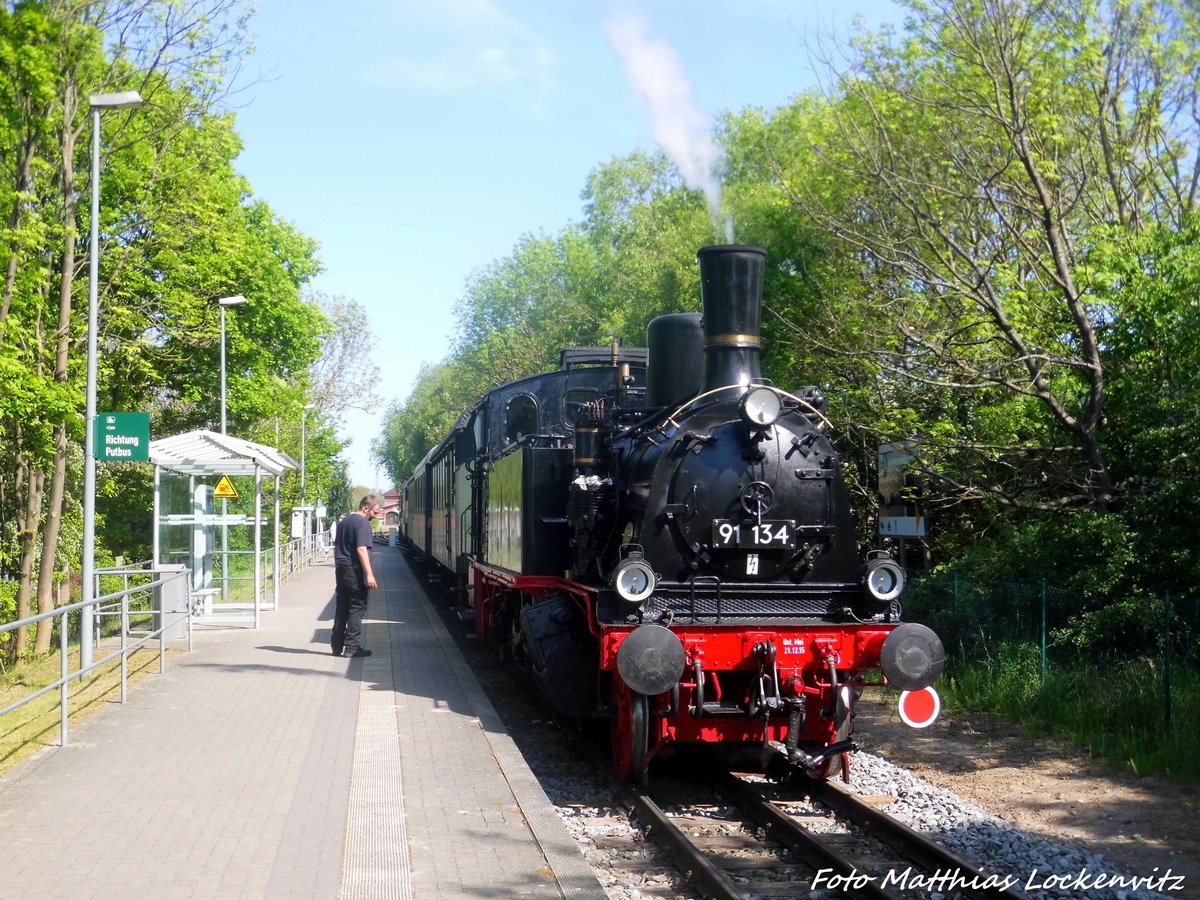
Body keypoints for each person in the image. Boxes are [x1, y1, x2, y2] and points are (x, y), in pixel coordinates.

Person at [331, 495, 380, 658]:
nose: (376, 516)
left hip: (342, 569)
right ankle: (352, 648)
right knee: (356, 608)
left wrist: (338, 565)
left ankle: (336, 646)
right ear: (366, 508)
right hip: (355, 571)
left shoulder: (344, 521)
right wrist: (369, 574)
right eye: (375, 512)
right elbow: (361, 549)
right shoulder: (362, 523)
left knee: (342, 607)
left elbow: (336, 546)